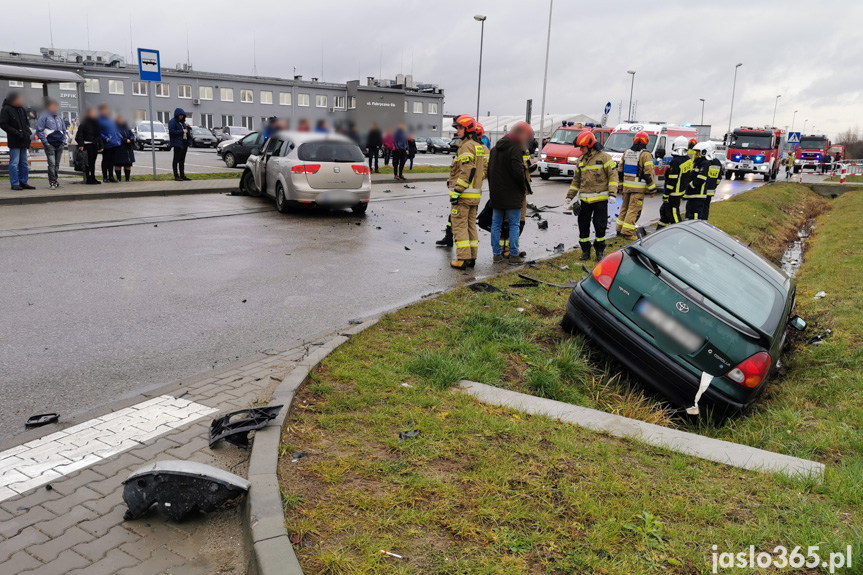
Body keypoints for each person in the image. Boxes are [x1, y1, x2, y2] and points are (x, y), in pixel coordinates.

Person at [565, 131, 618, 260]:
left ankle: (599, 252)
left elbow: (613, 176)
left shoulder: (604, 158)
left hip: (600, 200)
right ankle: (585, 251)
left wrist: (612, 193)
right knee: (583, 227)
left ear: (590, 145)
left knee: (600, 226)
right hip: (584, 201)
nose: (580, 150)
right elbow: (576, 181)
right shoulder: (581, 160)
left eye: (582, 147)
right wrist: (569, 196)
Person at [488, 121, 532, 265]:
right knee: (514, 225)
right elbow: (518, 173)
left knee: (496, 225)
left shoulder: (494, 149)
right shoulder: (515, 149)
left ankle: (496, 254)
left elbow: (490, 172)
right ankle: (513, 255)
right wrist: (521, 190)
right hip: (512, 195)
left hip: (497, 195)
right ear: (519, 134)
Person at [448, 114, 488, 270]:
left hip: (464, 195)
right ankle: (471, 257)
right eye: (457, 128)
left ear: (468, 129)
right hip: (474, 195)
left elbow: (467, 170)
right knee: (471, 226)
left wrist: (458, 189)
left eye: (460, 128)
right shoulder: (478, 146)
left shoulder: (466, 146)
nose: (457, 131)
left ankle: (462, 259)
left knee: (459, 226)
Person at [617, 131, 656, 241]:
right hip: (638, 188)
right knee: (633, 210)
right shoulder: (646, 155)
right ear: (646, 142)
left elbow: (620, 171)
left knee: (624, 208)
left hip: (626, 187)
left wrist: (620, 186)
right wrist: (652, 189)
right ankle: (628, 233)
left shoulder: (627, 152)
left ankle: (619, 229)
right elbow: (648, 173)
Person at [0, 92, 35, 191]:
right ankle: (14, 183)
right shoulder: (6, 110)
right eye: (19, 99)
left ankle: (23, 182)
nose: (21, 100)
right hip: (14, 140)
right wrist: (16, 133)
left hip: (24, 139)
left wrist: (27, 132)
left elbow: (26, 122)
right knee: (14, 163)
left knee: (24, 162)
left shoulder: (21, 109)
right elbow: (3, 124)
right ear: (13, 100)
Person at [657, 136, 692, 228]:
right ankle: (659, 231)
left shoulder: (675, 162)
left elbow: (672, 180)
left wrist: (666, 194)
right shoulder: (688, 160)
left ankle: (679, 230)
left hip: (673, 194)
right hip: (680, 191)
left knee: (673, 214)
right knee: (664, 212)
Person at [684, 141, 722, 221]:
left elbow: (701, 178)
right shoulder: (717, 162)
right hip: (709, 190)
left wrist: (691, 185)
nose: (696, 154)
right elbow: (719, 178)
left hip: (701, 190)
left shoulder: (705, 163)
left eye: (698, 152)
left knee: (699, 211)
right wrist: (714, 185)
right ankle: (704, 223)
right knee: (704, 209)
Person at [36, 98, 68, 190]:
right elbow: (39, 130)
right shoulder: (44, 116)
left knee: (57, 164)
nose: (56, 108)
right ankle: (52, 182)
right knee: (52, 164)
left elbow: (64, 130)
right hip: (50, 144)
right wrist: (46, 143)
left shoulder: (59, 118)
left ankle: (56, 181)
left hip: (59, 144)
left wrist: (63, 141)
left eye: (57, 107)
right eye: (54, 106)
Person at [75, 107, 103, 185]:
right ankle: (88, 178)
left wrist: (101, 145)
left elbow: (98, 135)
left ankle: (93, 177)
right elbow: (79, 135)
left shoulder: (96, 123)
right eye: (93, 113)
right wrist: (81, 144)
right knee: (87, 163)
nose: (95, 114)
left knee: (93, 162)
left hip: (94, 144)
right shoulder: (84, 123)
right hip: (87, 145)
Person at [97, 104, 121, 182]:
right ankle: (104, 177)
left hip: (114, 143)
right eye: (105, 110)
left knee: (112, 160)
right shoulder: (99, 120)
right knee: (106, 160)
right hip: (106, 143)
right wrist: (106, 139)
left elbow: (115, 129)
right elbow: (99, 132)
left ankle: (111, 176)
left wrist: (119, 137)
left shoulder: (110, 119)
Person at [168, 107, 191, 181]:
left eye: (182, 115)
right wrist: (182, 131)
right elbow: (171, 132)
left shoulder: (183, 123)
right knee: (176, 160)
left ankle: (182, 175)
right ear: (177, 115)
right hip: (177, 143)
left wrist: (189, 141)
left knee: (182, 160)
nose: (181, 117)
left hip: (184, 143)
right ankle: (176, 175)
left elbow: (187, 132)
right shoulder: (172, 122)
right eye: (180, 115)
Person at [113, 114, 136, 182]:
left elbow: (131, 134)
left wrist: (131, 138)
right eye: (120, 119)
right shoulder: (115, 127)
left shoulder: (126, 126)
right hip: (119, 147)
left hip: (127, 148)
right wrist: (125, 140)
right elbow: (116, 136)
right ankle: (118, 178)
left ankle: (127, 178)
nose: (122, 120)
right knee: (118, 164)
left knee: (128, 163)